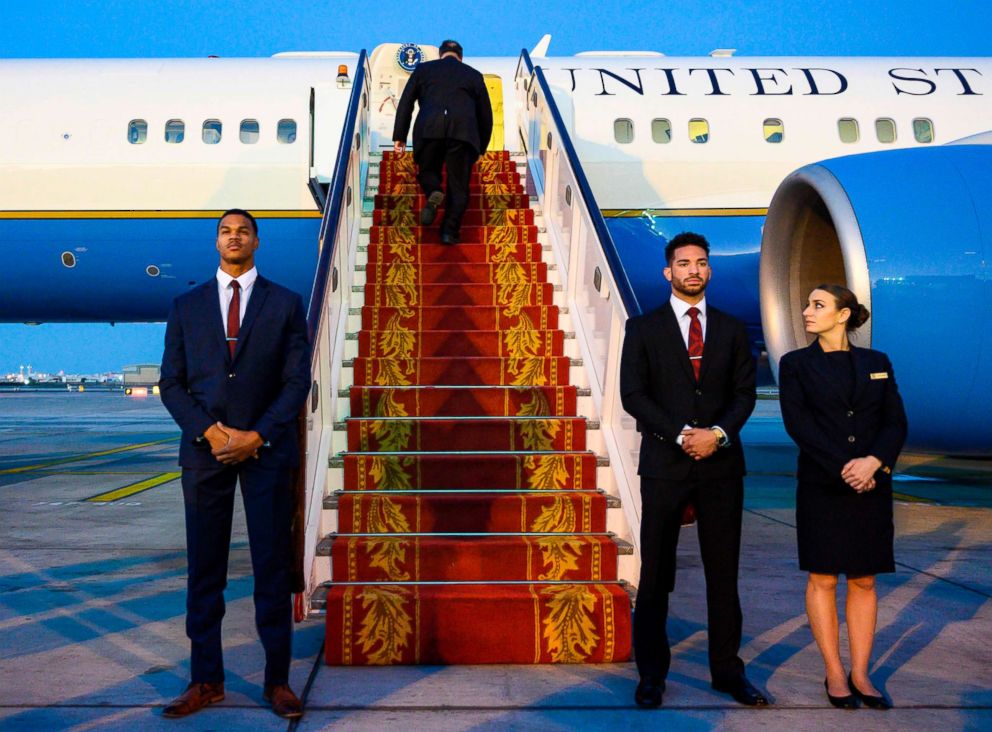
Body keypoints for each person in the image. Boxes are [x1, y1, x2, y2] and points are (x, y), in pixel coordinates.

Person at [159, 209, 311, 720]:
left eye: (243, 230)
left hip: (265, 453)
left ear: (257, 241)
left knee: (271, 569)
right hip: (204, 454)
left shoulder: (286, 304)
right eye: (225, 230)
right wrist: (210, 431)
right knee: (205, 572)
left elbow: (296, 383)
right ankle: (206, 680)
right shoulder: (185, 306)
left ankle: (278, 682)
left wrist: (257, 435)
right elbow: (172, 383)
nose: (234, 237)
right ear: (216, 241)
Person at [619, 232, 766, 709]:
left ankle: (727, 671)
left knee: (723, 574)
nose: (693, 270)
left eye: (701, 262)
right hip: (665, 465)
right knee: (657, 573)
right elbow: (634, 396)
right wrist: (683, 434)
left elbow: (745, 393)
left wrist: (718, 435)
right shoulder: (643, 329)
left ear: (709, 270)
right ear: (669, 272)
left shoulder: (731, 328)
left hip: (721, 467)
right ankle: (651, 675)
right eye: (683, 263)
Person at [778, 284, 907, 710]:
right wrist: (847, 468)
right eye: (808, 304)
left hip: (871, 484)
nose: (806, 311)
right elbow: (799, 425)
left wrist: (875, 463)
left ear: (843, 314)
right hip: (823, 485)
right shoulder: (795, 364)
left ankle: (861, 672)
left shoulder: (877, 362)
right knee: (823, 578)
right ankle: (834, 671)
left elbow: (895, 422)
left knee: (865, 579)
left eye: (818, 305)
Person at [391, 39, 493, 245]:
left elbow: (406, 102)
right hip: (462, 134)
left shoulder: (423, 70)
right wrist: (481, 147)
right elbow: (485, 115)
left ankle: (434, 190)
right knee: (459, 185)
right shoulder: (473, 75)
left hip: (429, 130)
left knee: (427, 170)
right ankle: (449, 231)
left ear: (440, 54)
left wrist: (400, 136)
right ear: (461, 57)